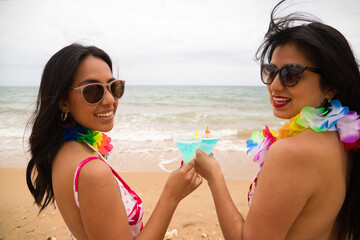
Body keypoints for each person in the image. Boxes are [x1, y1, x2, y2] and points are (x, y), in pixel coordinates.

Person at [193, 1, 360, 239]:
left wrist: (214, 176)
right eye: (270, 71)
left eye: (291, 74)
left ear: (331, 86)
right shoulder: (345, 140)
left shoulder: (291, 152)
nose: (275, 85)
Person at [26, 43, 202, 239]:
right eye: (92, 91)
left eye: (114, 87)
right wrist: (171, 196)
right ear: (63, 101)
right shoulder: (93, 172)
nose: (110, 99)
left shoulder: (60, 150)